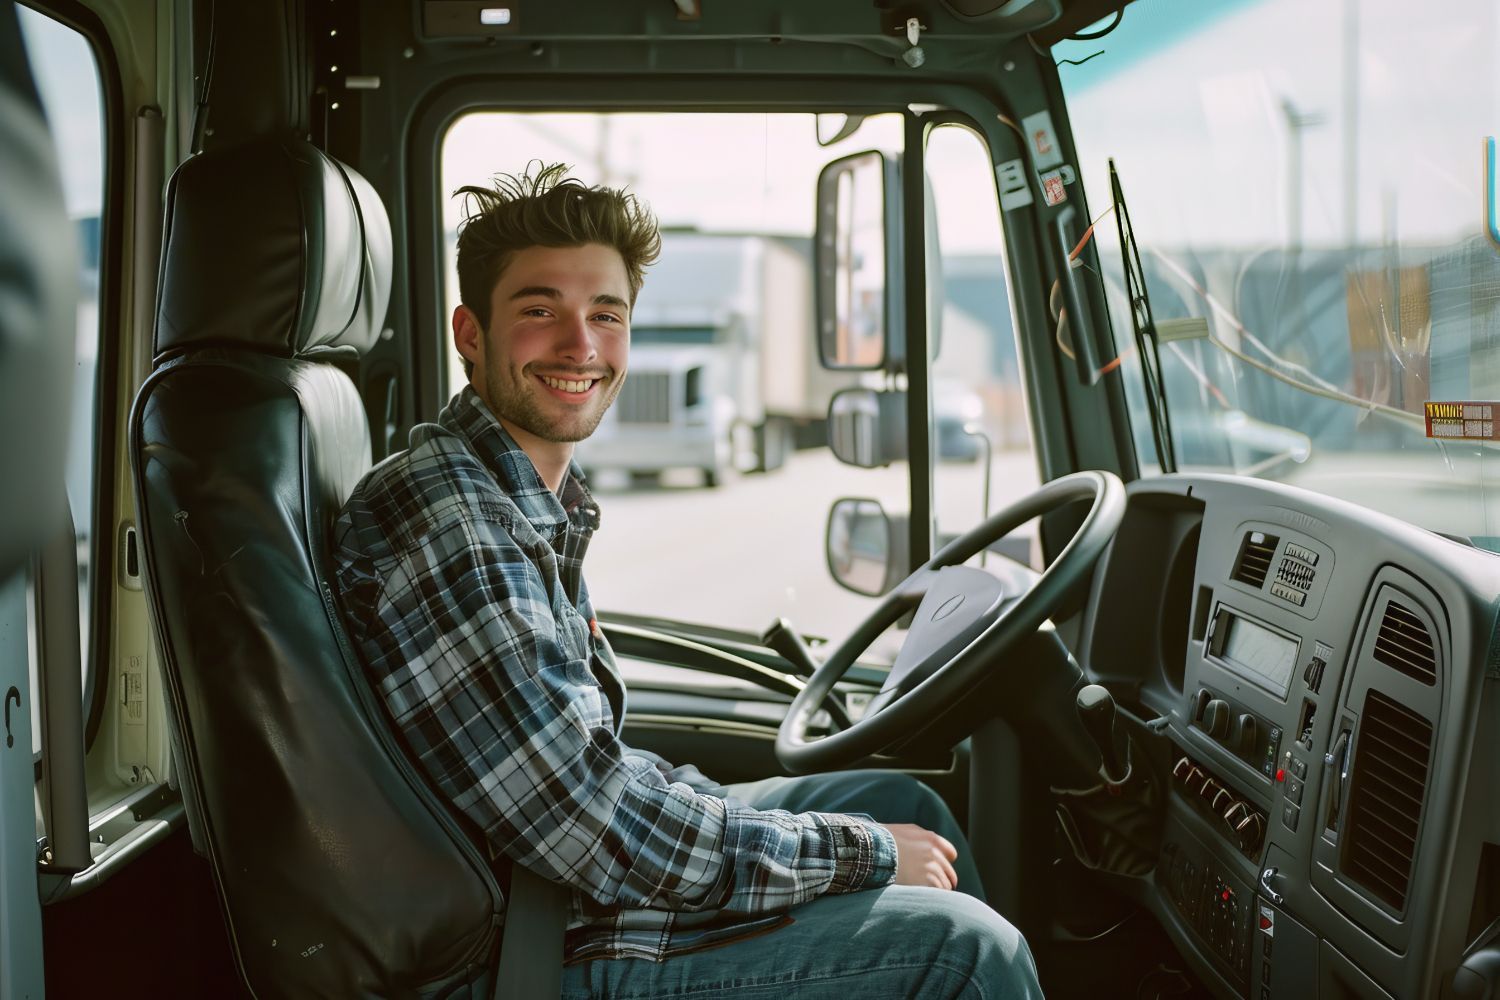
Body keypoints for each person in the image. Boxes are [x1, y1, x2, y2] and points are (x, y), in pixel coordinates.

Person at [331, 163, 1041, 998]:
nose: (580, 346)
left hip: (547, 887)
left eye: (606, 314)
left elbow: (589, 761)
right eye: (538, 311)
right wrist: (860, 852)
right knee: (966, 950)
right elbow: (590, 821)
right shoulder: (450, 517)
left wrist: (839, 835)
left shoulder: (516, 498)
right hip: (527, 945)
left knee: (901, 801)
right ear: (469, 333)